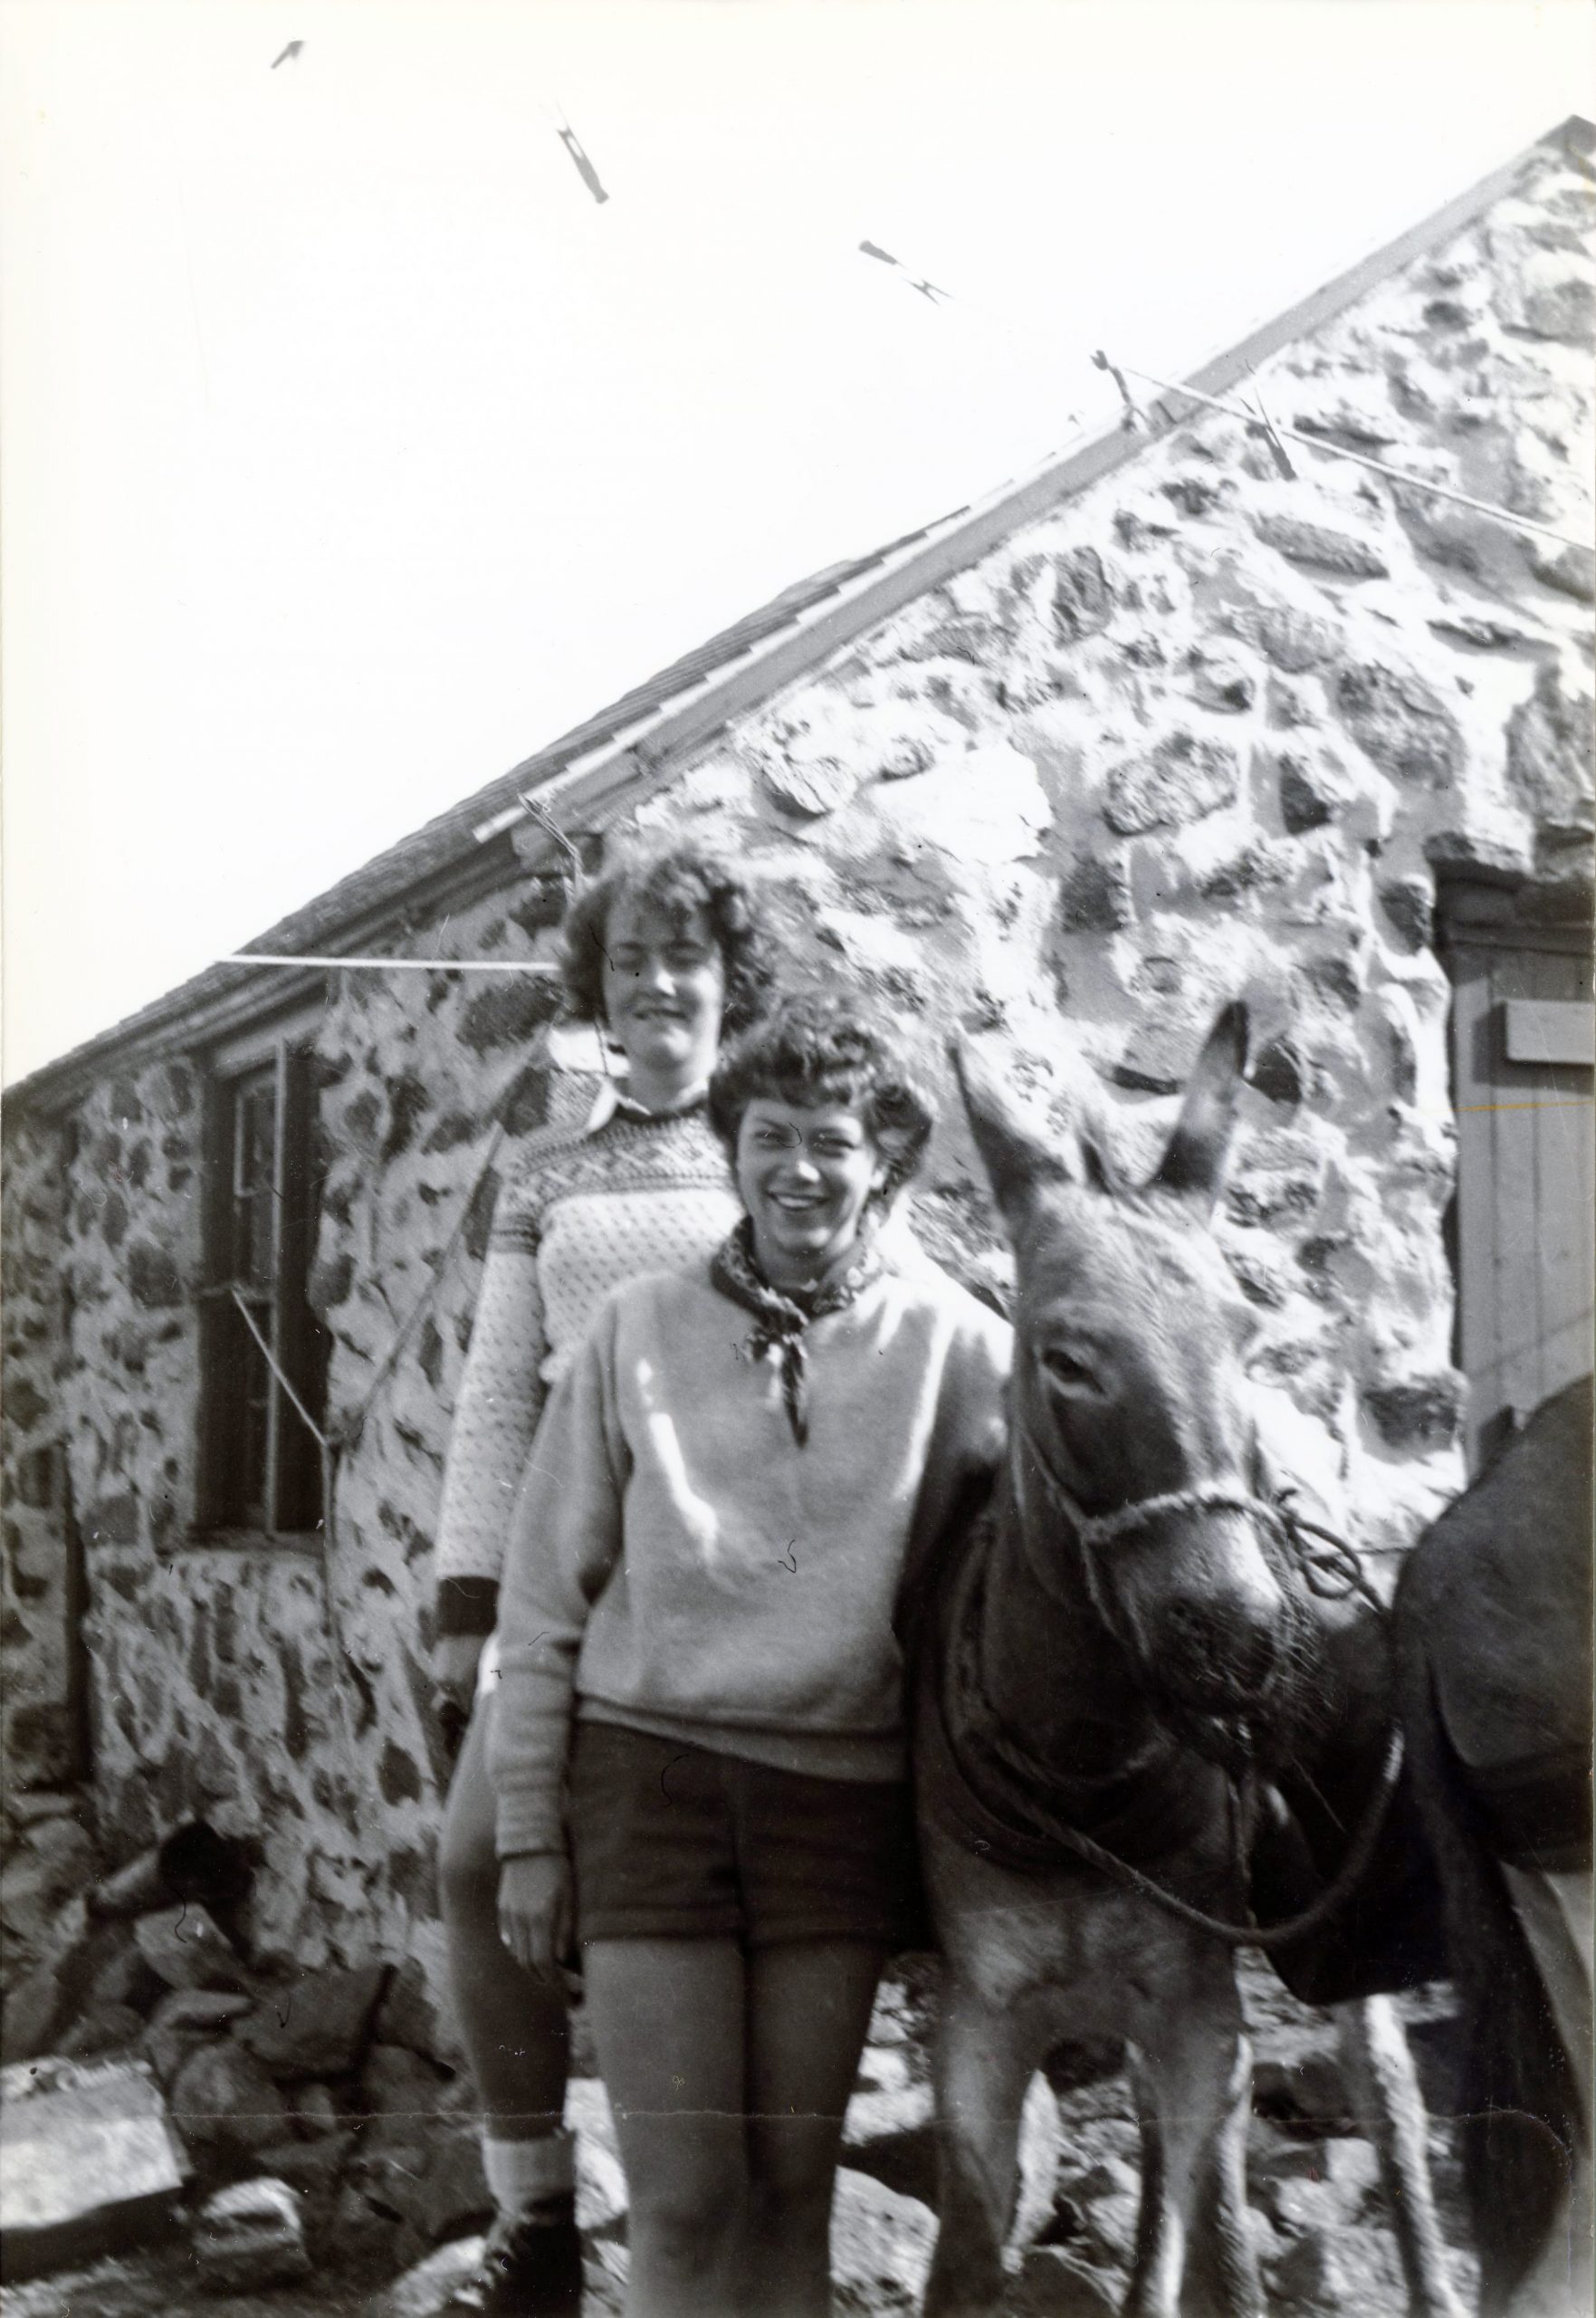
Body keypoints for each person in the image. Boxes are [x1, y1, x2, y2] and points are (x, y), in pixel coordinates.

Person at [489, 994, 1012, 2318]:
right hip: (648, 1787)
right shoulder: (634, 1330)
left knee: (793, 2186)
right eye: (768, 1136)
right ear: (731, 1150)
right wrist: (530, 1831)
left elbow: (1063, 1482)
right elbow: (544, 1595)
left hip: (835, 1807)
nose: (797, 1169)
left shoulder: (951, 1342)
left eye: (831, 1142)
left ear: (883, 1161)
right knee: (680, 2200)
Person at [429, 841, 779, 2318]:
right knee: (466, 1866)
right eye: (630, 962)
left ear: (727, 983)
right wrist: (466, 1605)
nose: (657, 986)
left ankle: (738, 2226)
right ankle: (540, 2221)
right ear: (598, 989)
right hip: (571, 1571)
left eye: (683, 959)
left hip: (741, 1569)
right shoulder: (547, 1170)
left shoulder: (777, 1146)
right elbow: (501, 1391)